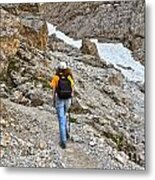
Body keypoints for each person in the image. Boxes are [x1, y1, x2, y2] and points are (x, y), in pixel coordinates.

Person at [50, 62, 74, 149]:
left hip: (60, 99)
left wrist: (53, 99)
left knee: (61, 119)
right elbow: (72, 88)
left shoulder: (56, 78)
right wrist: (71, 97)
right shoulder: (69, 77)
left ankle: (63, 141)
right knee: (64, 116)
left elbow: (53, 90)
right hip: (68, 99)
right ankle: (66, 134)